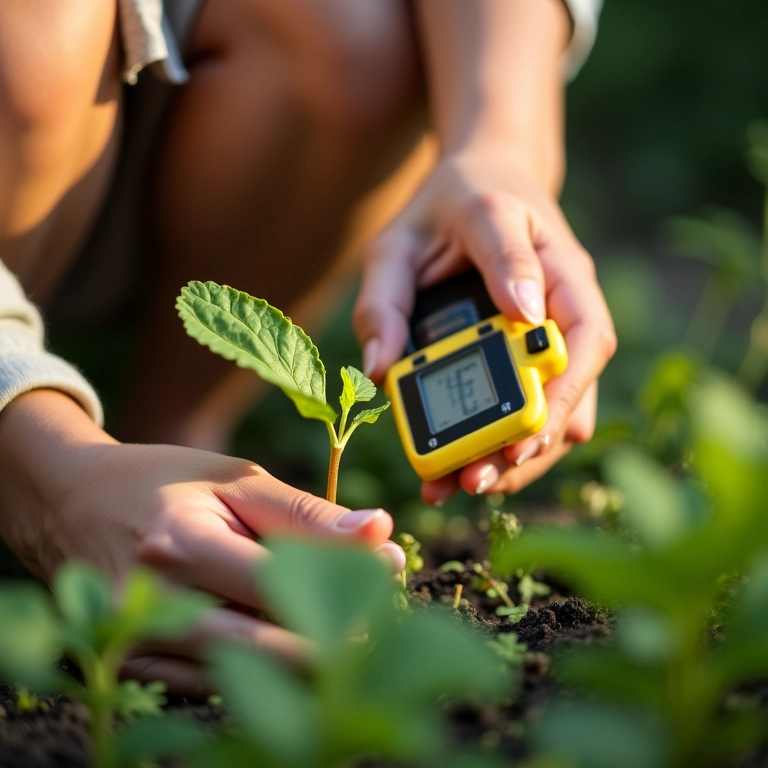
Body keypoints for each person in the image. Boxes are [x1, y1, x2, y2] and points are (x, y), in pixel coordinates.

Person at [0, 0, 614, 695]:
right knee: (37, 39)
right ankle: (76, 476)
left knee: (356, 35)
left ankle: (174, 440)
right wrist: (44, 464)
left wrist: (500, 143)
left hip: (170, 143)